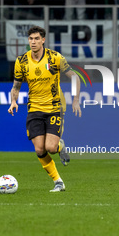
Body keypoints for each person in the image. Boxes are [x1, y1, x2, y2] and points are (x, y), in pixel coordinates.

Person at [8, 26, 81, 192]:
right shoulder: (22, 61)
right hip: (34, 109)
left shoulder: (55, 58)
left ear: (43, 40)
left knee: (51, 148)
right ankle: (58, 182)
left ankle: (59, 146)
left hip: (53, 107)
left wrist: (76, 99)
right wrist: (14, 101)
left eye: (36, 39)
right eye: (30, 39)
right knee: (39, 149)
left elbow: (74, 76)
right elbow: (16, 85)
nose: (33, 42)